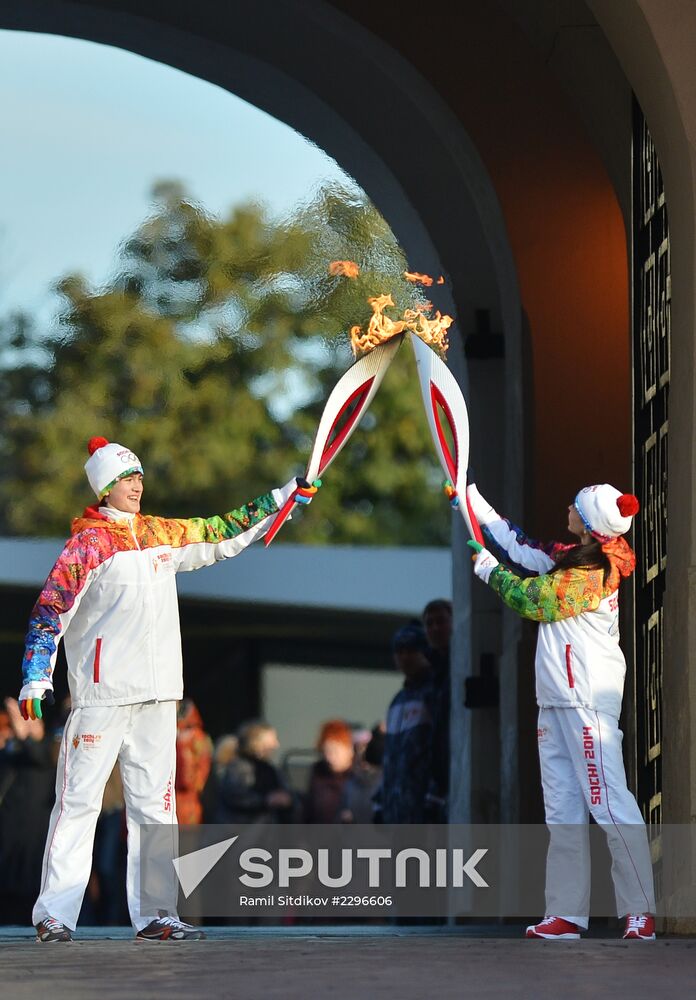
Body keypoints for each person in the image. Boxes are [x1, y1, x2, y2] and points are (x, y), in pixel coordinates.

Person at [18, 436, 315, 942]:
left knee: (155, 808)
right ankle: (55, 914)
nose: (136, 485)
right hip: (101, 695)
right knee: (79, 803)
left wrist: (283, 497)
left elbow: (222, 532)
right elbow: (50, 613)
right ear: (104, 487)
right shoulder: (86, 546)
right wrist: (36, 674)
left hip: (159, 695)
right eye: (124, 479)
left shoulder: (159, 532)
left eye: (137, 476)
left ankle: (155, 912)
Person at [466, 479, 656, 940]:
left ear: (590, 526)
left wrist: (490, 571)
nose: (567, 507)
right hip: (554, 700)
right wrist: (469, 496)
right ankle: (567, 914)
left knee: (608, 803)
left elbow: (536, 601)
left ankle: (641, 911)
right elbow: (520, 544)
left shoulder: (592, 574)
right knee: (563, 812)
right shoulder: (572, 557)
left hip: (587, 699)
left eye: (576, 506)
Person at [0, 697, 54, 925]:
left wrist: (26, 736)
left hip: (34, 838)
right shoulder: (14, 754)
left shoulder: (47, 753)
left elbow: (40, 756)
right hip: (10, 837)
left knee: (28, 891)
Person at [376, 623, 435, 824]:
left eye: (411, 650)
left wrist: (433, 798)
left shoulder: (433, 693)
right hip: (396, 812)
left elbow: (438, 750)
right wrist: (381, 802)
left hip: (422, 808)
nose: (404, 657)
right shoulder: (397, 702)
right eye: (399, 651)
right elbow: (390, 757)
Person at [215, 722, 294, 825]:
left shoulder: (270, 769)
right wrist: (266, 800)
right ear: (257, 742)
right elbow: (236, 796)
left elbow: (288, 795)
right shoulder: (238, 768)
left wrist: (288, 800)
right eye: (273, 740)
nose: (276, 745)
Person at [422, 599, 453, 822]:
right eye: (429, 623)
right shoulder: (430, 675)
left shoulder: (459, 664)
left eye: (440, 622)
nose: (435, 628)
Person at [304, 720, 355, 823]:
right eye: (326, 751)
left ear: (349, 749)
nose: (330, 757)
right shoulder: (319, 771)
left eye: (335, 751)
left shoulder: (359, 776)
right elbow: (308, 809)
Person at [175, 700, 213, 826]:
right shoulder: (199, 737)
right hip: (186, 802)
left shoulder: (190, 738)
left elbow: (188, 779)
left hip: (182, 800)